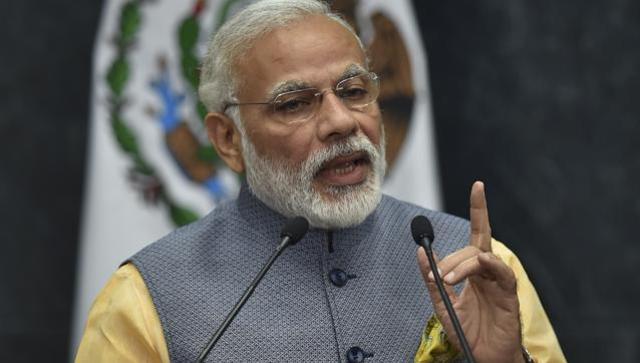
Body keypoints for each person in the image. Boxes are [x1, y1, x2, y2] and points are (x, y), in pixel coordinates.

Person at [76, 0, 566, 362]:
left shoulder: (478, 267)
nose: (341, 122)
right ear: (227, 139)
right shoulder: (147, 298)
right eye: (294, 103)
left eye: (354, 91)